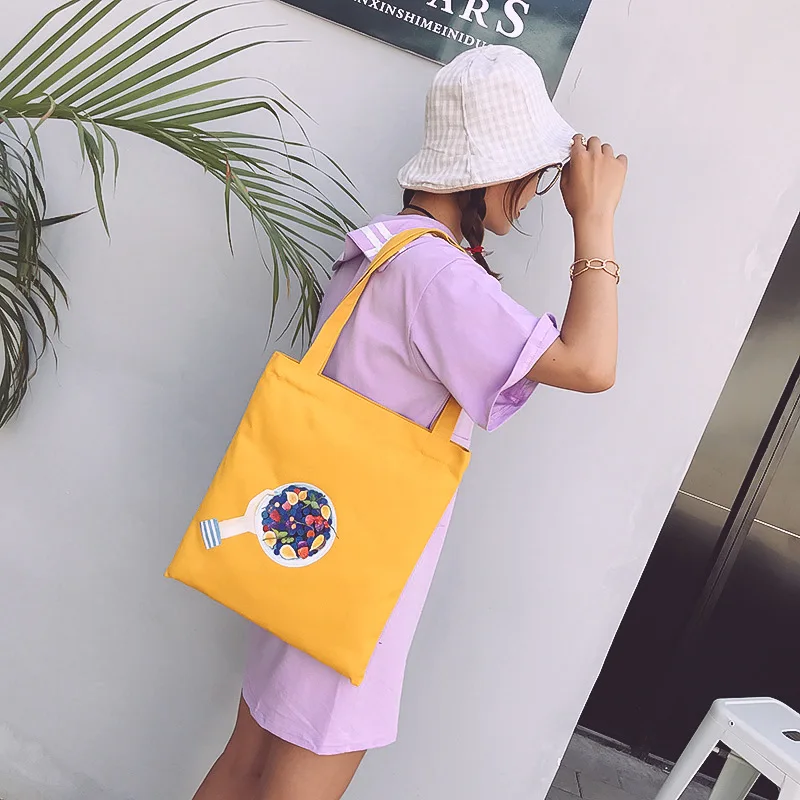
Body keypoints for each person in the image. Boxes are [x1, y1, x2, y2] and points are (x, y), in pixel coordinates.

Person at [193, 44, 627, 800]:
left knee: (245, 761)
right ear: (491, 173)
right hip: (362, 576)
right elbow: (592, 364)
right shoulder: (441, 279)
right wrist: (595, 222)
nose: (533, 195)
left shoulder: (384, 244)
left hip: (308, 548)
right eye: (533, 175)